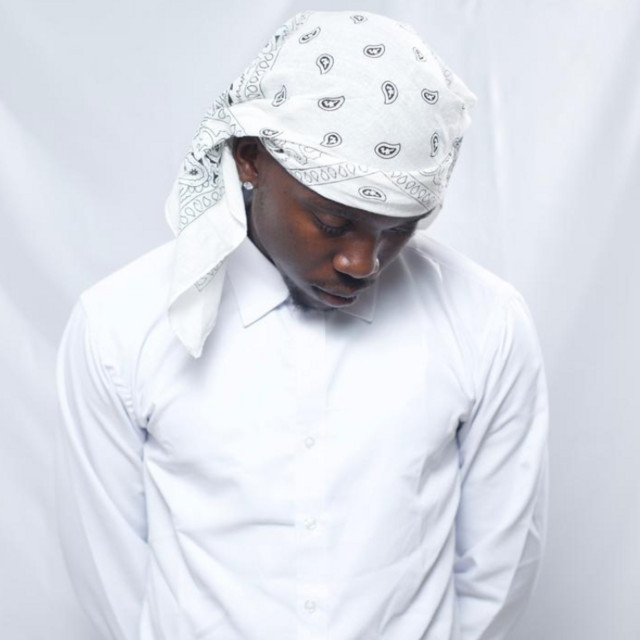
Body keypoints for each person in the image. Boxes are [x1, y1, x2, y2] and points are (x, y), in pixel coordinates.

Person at [56, 10, 548, 640]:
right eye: (334, 223)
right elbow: (113, 581)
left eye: (398, 229)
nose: (363, 263)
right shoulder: (119, 327)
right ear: (250, 159)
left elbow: (498, 573)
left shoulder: (486, 323)